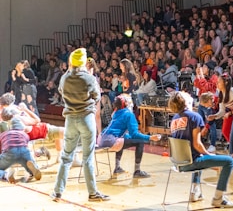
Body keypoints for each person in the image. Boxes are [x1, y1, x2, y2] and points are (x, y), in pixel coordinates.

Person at [52, 48, 110, 202]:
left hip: (70, 119)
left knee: (66, 157)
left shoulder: (64, 78)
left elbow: (60, 91)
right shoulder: (89, 78)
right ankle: (92, 192)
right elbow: (97, 96)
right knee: (88, 158)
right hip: (86, 119)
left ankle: (58, 191)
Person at [168, 91, 233, 208]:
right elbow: (197, 145)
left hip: (178, 163)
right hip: (192, 162)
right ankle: (218, 198)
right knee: (229, 161)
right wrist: (209, 155)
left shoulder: (174, 118)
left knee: (198, 155)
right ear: (186, 102)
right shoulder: (195, 117)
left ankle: (195, 192)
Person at [101, 94, 160, 177]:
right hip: (112, 141)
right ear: (127, 103)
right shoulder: (129, 114)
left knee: (121, 139)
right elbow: (135, 134)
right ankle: (137, 171)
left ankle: (117, 167)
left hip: (102, 140)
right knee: (140, 142)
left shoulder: (116, 113)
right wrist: (150, 137)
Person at [0, 108, 42, 183]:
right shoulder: (24, 134)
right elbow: (27, 143)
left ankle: (5, 175)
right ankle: (33, 170)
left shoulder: (4, 134)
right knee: (27, 162)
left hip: (9, 152)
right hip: (24, 152)